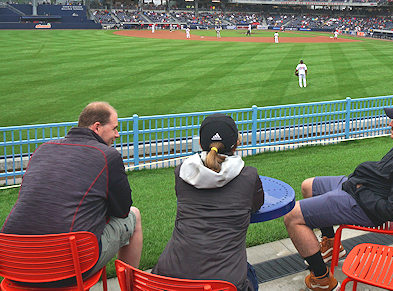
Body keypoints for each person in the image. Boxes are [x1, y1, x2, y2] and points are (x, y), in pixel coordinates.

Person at [283, 99, 393, 291]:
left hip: (364, 206)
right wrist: (359, 185)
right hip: (359, 189)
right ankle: (329, 245)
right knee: (308, 186)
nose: (390, 123)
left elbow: (391, 211)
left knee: (292, 216)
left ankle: (321, 279)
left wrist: (360, 190)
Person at [2, 102, 143, 286]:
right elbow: (122, 211)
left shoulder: (43, 149)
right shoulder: (107, 155)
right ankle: (130, 287)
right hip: (69, 267)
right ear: (97, 127)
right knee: (135, 215)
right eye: (114, 128)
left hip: (13, 263)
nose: (117, 134)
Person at [153, 113, 264, 291]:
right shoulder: (249, 176)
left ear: (201, 144)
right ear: (236, 144)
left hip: (170, 277)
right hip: (224, 283)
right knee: (249, 273)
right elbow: (256, 204)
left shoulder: (182, 172)